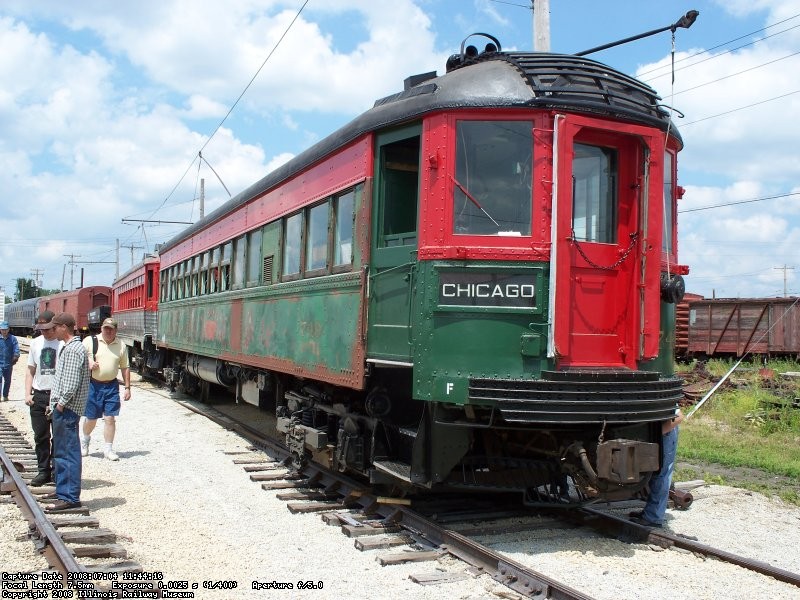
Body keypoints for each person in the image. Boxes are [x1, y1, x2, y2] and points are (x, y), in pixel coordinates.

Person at [47, 312, 89, 511]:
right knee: (61, 450)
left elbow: (71, 383)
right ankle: (62, 489)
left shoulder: (73, 350)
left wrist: (60, 404)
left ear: (64, 327)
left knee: (68, 452)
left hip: (67, 409)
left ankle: (70, 496)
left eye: (54, 328)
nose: (52, 331)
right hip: (65, 408)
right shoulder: (71, 347)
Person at [81, 317, 131, 461]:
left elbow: (125, 367)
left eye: (111, 329)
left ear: (116, 330)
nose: (108, 331)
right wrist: (89, 362)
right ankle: (85, 441)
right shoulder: (90, 341)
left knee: (110, 418)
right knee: (91, 418)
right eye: (106, 328)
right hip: (93, 385)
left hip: (111, 386)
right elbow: (78, 357)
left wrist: (127, 387)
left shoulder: (121, 345)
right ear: (101, 329)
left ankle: (108, 449)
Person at [629, 408, 684, 528]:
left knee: (661, 474)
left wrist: (656, 435)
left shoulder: (664, 396)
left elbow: (679, 416)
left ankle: (654, 517)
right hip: (657, 434)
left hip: (665, 435)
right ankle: (650, 512)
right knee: (654, 474)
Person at [24, 310, 61, 486]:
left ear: (54, 326)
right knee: (41, 436)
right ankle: (43, 471)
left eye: (47, 328)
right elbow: (30, 370)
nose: (44, 332)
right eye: (41, 329)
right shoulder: (36, 344)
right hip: (39, 394)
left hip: (57, 396)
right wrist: (27, 393)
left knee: (58, 437)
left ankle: (56, 472)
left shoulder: (62, 344)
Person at [0, 321, 21, 402]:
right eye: (2, 330)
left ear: (8, 329)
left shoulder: (13, 339)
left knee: (7, 380)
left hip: (9, 364)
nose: (4, 331)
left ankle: (5, 395)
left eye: (5, 329)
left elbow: (16, 349)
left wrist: (16, 356)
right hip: (0, 363)